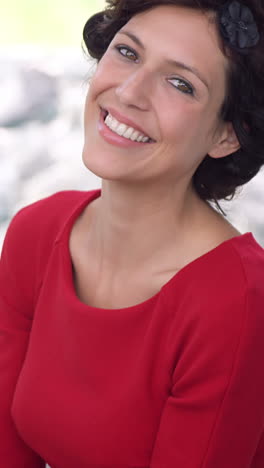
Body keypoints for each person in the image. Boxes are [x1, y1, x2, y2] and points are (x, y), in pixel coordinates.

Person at [1, 0, 264, 466]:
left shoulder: (239, 302)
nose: (128, 92)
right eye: (128, 52)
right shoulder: (35, 234)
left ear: (227, 135)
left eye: (181, 84)